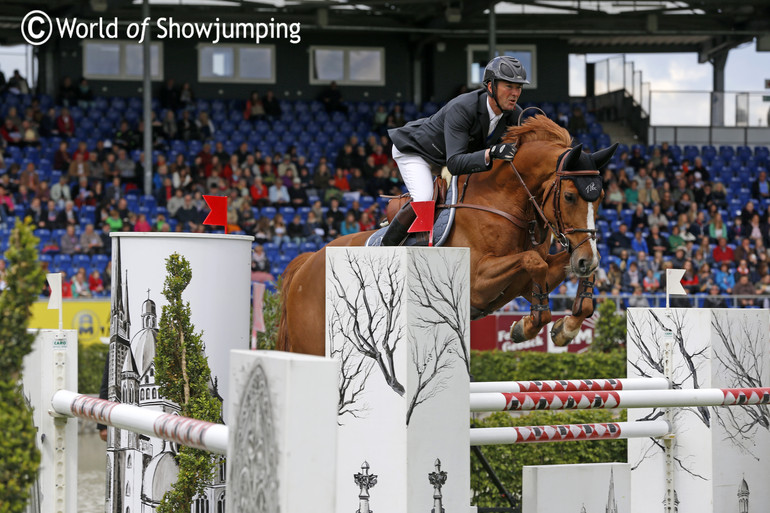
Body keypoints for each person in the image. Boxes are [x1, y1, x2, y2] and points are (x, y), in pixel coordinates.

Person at [383, 56, 527, 246]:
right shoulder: (463, 108)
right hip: (416, 151)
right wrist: (490, 153)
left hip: (443, 158)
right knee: (425, 197)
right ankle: (385, 248)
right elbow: (455, 163)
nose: (515, 93)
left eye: (518, 87)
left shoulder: (514, 113)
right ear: (490, 87)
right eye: (509, 86)